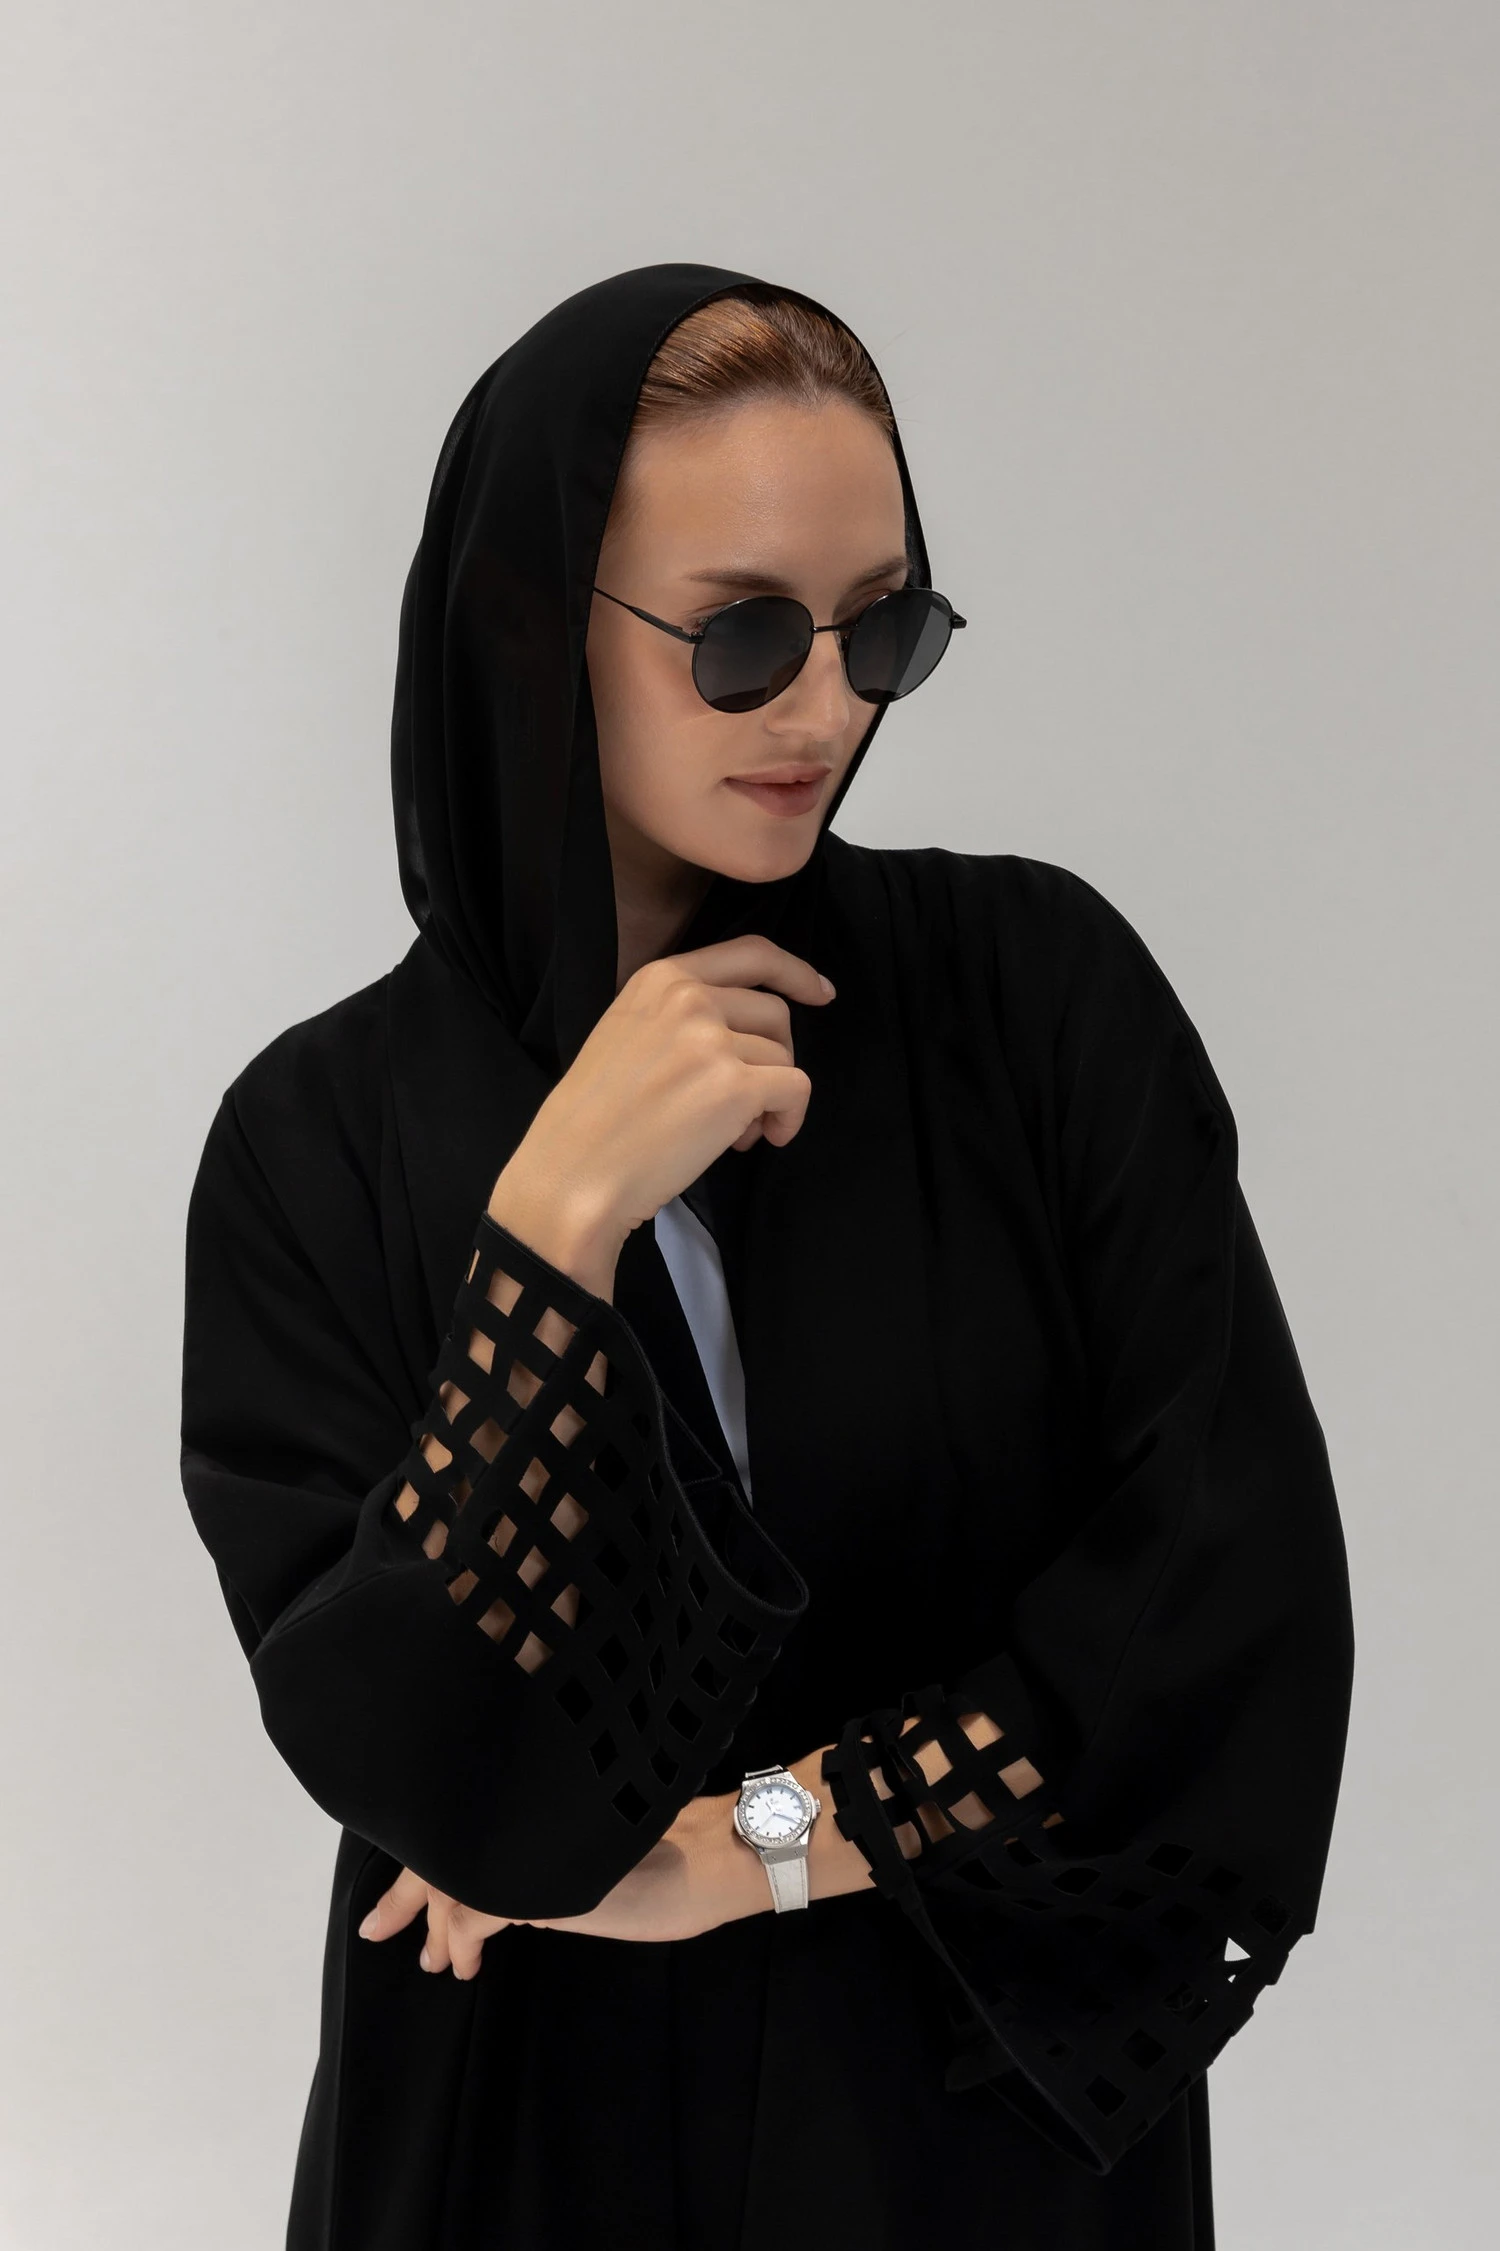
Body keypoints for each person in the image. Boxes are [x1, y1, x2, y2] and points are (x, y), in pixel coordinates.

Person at [179, 263, 1354, 2251]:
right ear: (530, 624)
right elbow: (411, 1755)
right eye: (739, 637)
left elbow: (1220, 1600)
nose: (825, 710)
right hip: (517, 2129)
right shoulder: (318, 1143)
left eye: (881, 626)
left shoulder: (1038, 1004)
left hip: (964, 2114)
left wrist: (756, 1845)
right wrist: (556, 1231)